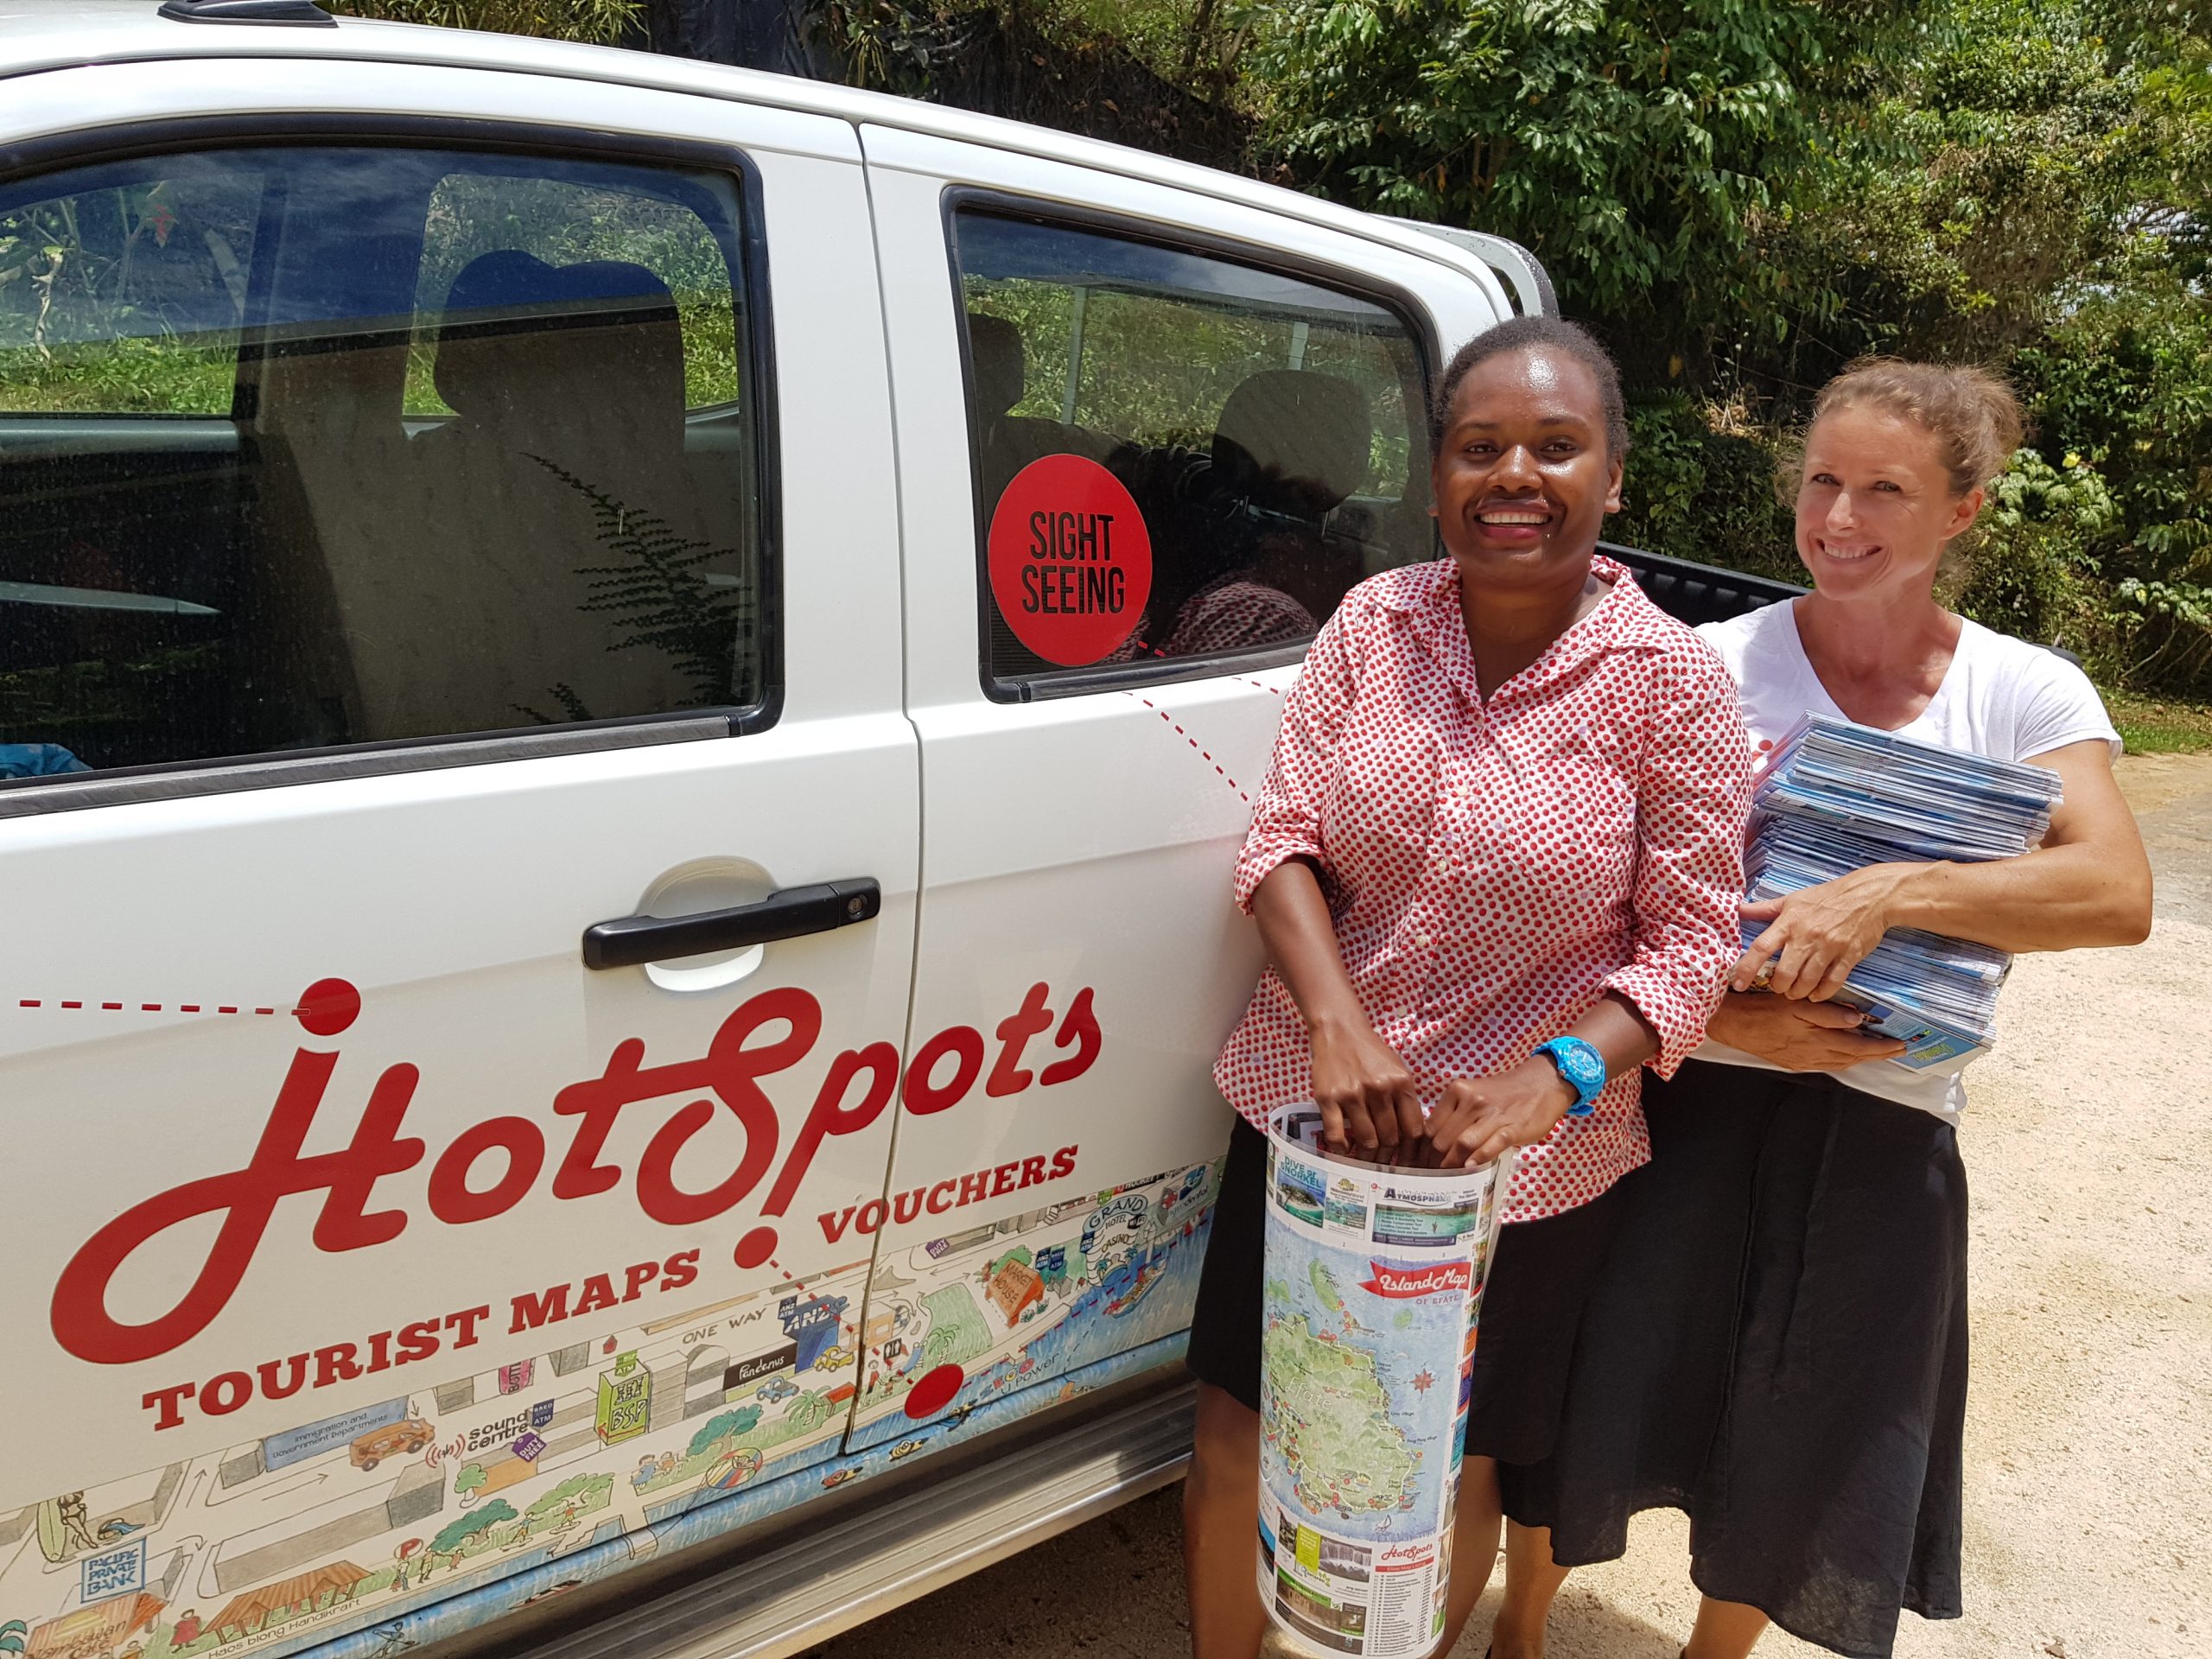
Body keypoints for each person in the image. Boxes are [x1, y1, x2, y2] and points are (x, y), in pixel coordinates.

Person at [1494, 359, 2155, 1659]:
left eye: (1886, 492)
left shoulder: (2025, 693)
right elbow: (1585, 912)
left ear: (1962, 513)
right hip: (1680, 1095)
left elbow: (2116, 892)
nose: (1840, 519)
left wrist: (1891, 894)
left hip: (1884, 1116)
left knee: (1802, 1430)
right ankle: (1520, 1633)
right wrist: (1736, 1027)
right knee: (1594, 1392)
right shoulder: (1704, 665)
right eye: (1822, 482)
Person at [1180, 315, 1754, 1659]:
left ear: (1613, 477)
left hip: (1524, 1173)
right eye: (1480, 446)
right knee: (1236, 1431)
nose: (1515, 475)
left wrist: (1544, 1081)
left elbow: (1685, 947)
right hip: (1306, 1121)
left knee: (1447, 1472)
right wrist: (1335, 1026)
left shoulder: (1670, 682)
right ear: (1435, 474)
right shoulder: (1375, 623)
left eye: (1556, 448)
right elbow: (1284, 840)